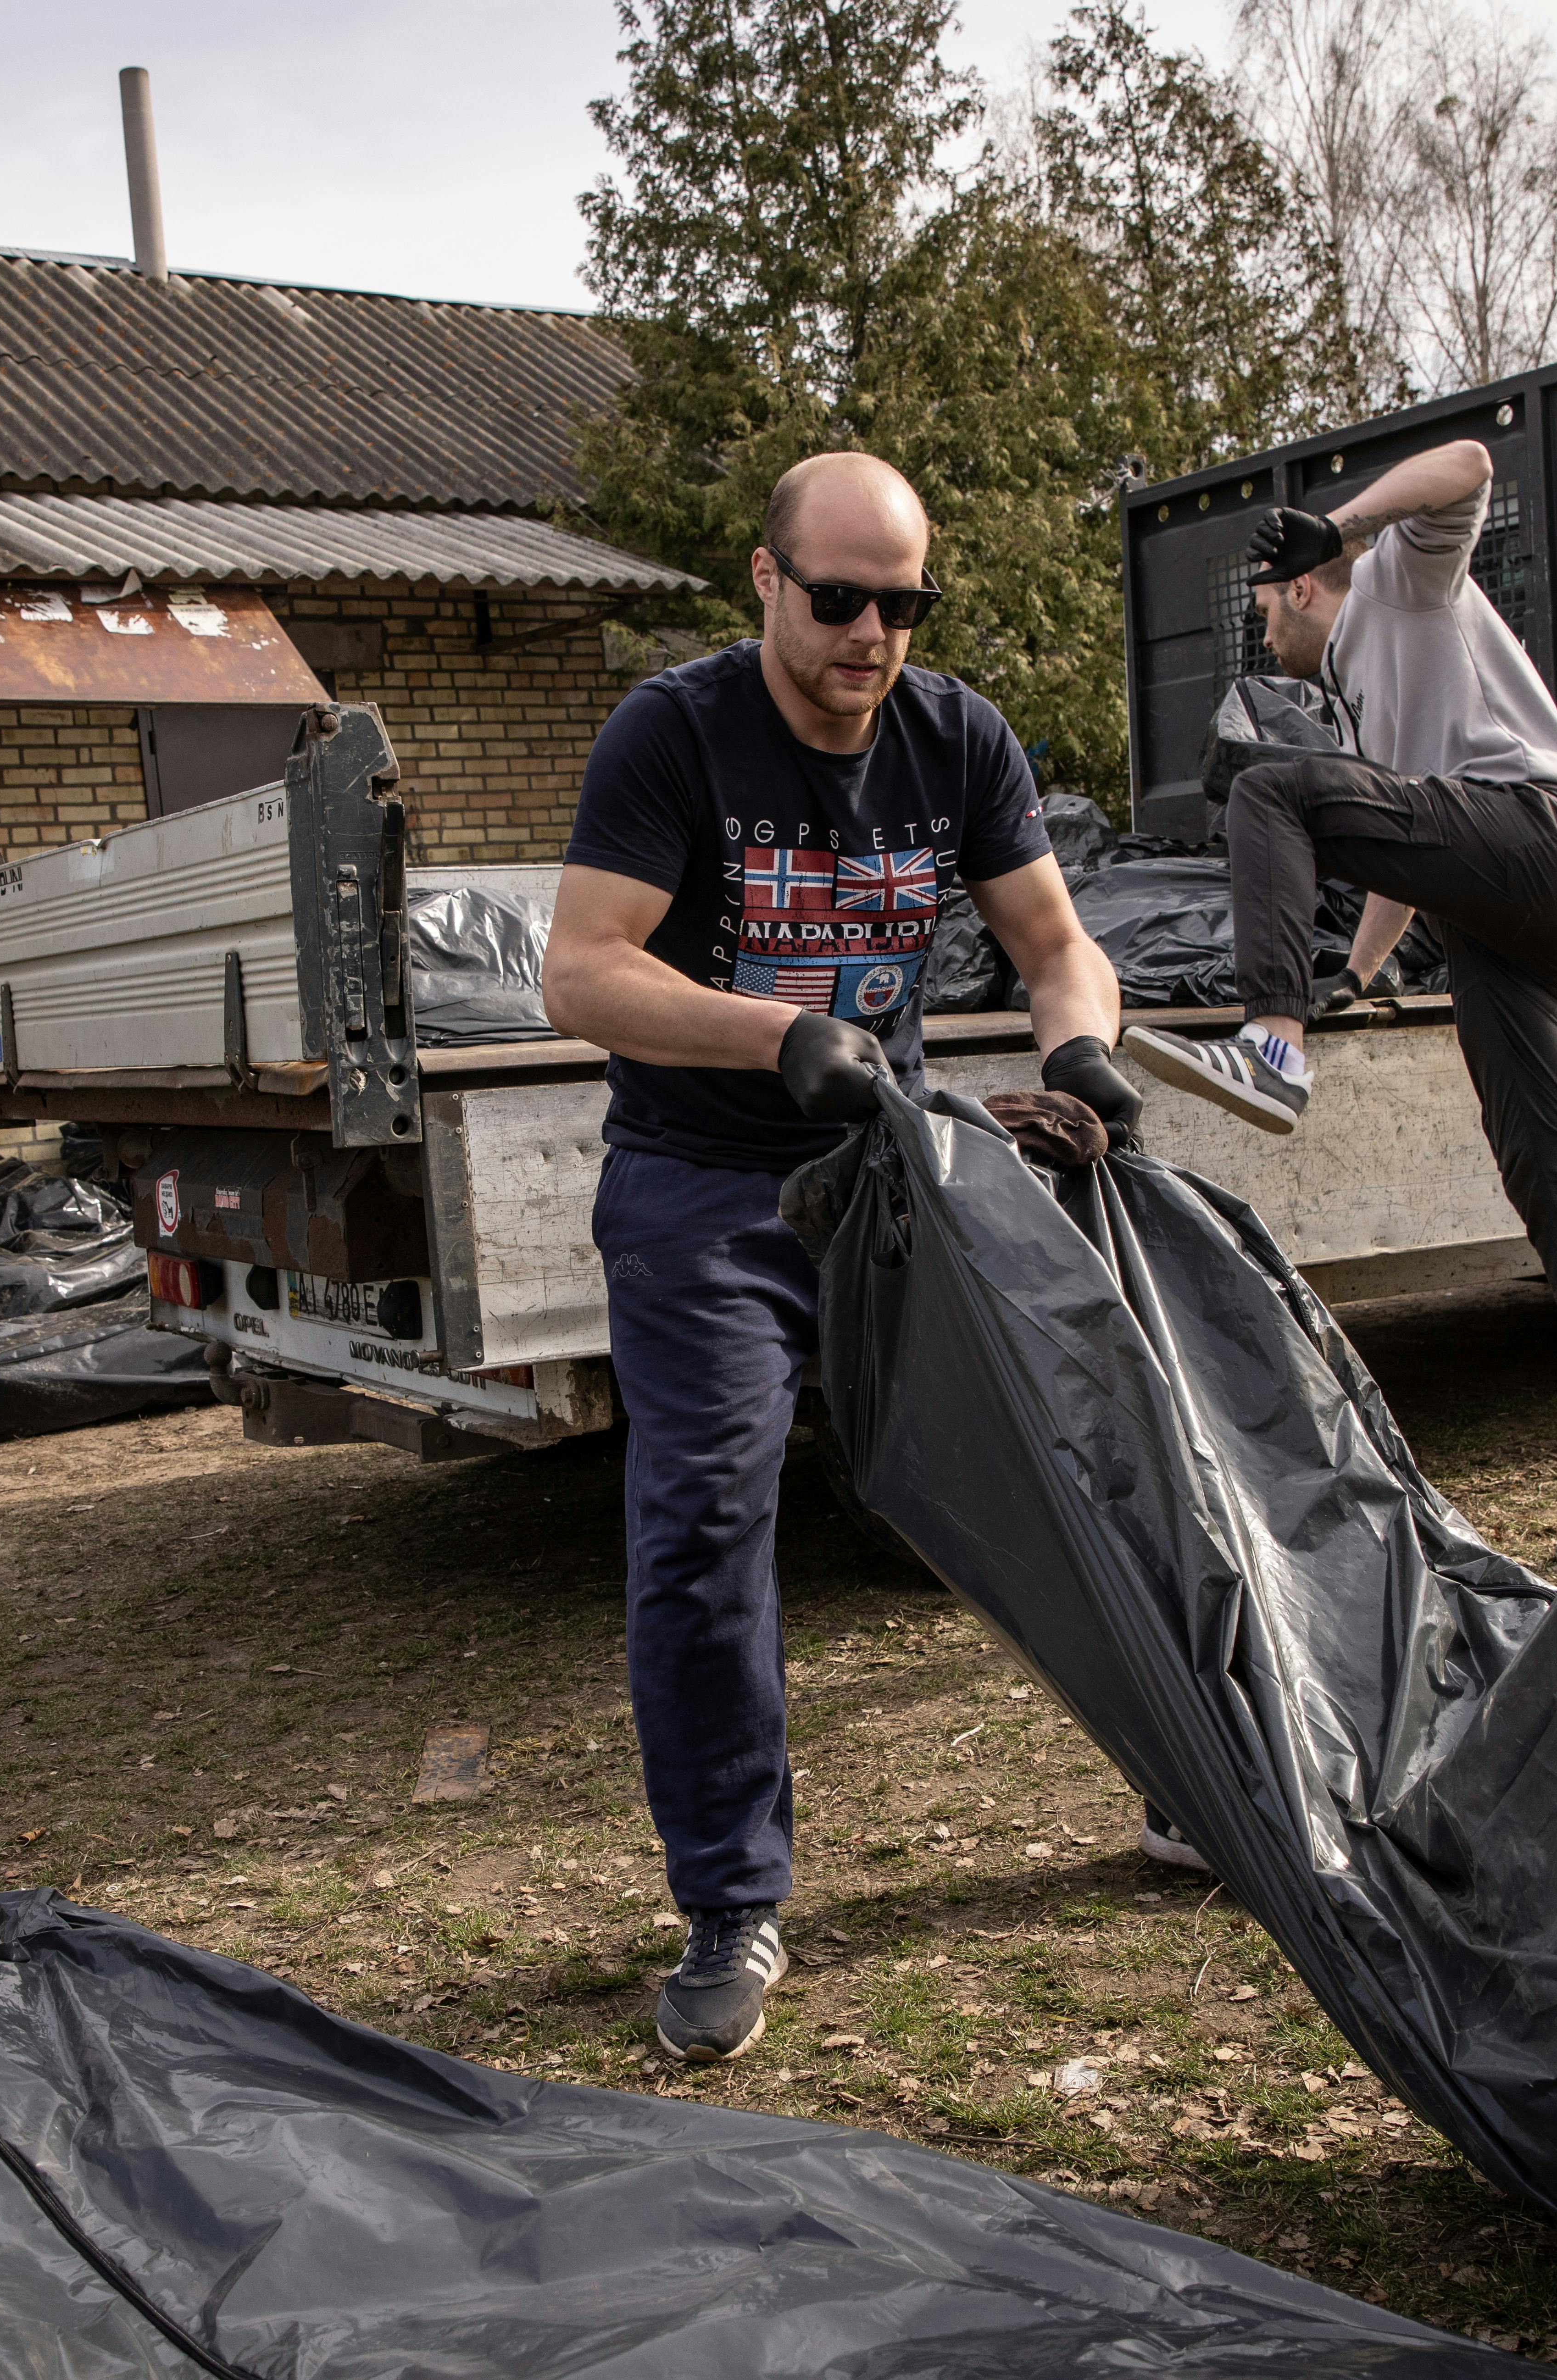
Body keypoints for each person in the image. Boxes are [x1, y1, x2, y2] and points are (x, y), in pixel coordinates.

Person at [543, 451, 1141, 2060]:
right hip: (707, 1192)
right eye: (838, 598)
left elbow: (1054, 944)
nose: (871, 632)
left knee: (1068, 1463)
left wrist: (1081, 1049)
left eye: (901, 602)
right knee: (705, 1525)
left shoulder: (958, 740)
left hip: (891, 1171)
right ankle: (733, 1902)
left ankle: (1186, 1779)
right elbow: (581, 974)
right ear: (765, 581)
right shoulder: (674, 735)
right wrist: (773, 1034)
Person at [1123, 447, 1557, 1562]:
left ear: (1298, 586)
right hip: (1502, 908)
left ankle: (1268, 1051)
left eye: (1266, 619)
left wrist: (1335, 527)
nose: (1267, 646)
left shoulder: (1396, 581)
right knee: (1543, 1164)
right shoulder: (1363, 709)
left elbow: (1473, 465)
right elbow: (1404, 859)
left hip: (1535, 835)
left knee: (1269, 784)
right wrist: (1358, 974)